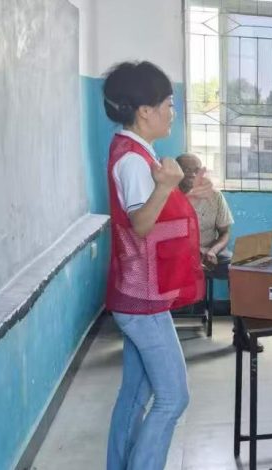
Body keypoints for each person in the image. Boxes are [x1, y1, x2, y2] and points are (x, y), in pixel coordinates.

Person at [103, 61, 203, 470]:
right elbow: (141, 224)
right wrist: (166, 186)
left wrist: (173, 191)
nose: (172, 112)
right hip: (142, 300)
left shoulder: (136, 150)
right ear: (145, 110)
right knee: (173, 398)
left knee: (135, 394)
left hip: (136, 293)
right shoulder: (132, 160)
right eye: (168, 104)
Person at [176, 153, 234, 270]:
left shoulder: (215, 196)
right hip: (179, 252)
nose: (192, 174)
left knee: (233, 265)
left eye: (196, 170)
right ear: (177, 172)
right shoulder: (168, 196)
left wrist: (213, 251)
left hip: (209, 249)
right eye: (186, 170)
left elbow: (225, 233)